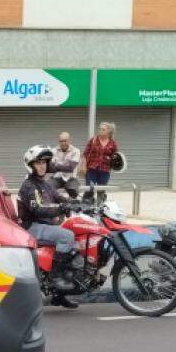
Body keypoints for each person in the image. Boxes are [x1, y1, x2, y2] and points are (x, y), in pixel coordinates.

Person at [17, 145, 80, 310]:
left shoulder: (44, 184)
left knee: (76, 244)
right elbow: (37, 209)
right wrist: (61, 209)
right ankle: (55, 277)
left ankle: (59, 295)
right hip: (32, 226)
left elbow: (59, 197)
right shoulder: (29, 185)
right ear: (30, 165)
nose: (42, 166)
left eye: (44, 162)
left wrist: (77, 203)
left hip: (44, 224)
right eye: (38, 163)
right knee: (66, 237)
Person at [83, 122, 120, 189]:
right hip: (91, 169)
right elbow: (85, 153)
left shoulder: (113, 143)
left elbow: (115, 157)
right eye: (99, 129)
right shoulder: (93, 140)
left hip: (105, 170)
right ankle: (88, 199)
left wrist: (111, 159)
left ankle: (101, 198)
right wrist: (84, 166)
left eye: (103, 129)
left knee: (101, 191)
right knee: (89, 190)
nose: (100, 130)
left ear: (108, 131)